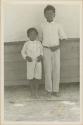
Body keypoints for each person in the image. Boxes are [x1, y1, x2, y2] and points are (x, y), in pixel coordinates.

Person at [41, 5, 67, 96]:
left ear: (54, 14)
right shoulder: (42, 26)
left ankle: (55, 90)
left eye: (51, 13)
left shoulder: (58, 25)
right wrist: (44, 49)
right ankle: (48, 90)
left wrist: (57, 46)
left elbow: (63, 38)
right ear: (44, 15)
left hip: (56, 50)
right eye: (47, 13)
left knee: (56, 69)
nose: (49, 15)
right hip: (46, 50)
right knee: (47, 70)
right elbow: (40, 40)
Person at [21, 28, 43, 98]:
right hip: (30, 62)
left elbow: (42, 51)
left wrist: (41, 56)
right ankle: (32, 92)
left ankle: (36, 92)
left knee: (37, 76)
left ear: (36, 35)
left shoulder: (39, 43)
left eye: (34, 34)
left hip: (38, 61)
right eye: (31, 34)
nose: (33, 35)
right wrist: (26, 57)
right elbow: (22, 52)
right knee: (31, 77)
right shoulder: (26, 44)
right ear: (28, 35)